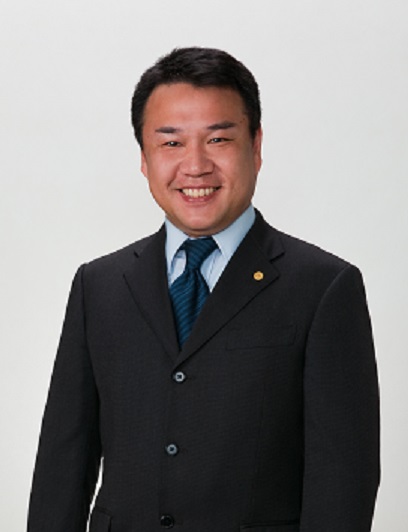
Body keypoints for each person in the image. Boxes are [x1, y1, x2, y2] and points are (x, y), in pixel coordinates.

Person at [27, 47, 380, 532]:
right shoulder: (99, 285)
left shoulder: (323, 287)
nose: (194, 166)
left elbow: (343, 477)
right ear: (144, 158)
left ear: (255, 146)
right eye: (171, 143)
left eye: (218, 139)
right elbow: (63, 462)